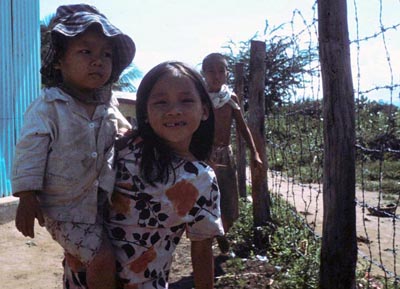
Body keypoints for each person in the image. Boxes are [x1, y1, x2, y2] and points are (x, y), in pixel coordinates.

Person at [12, 4, 135, 289]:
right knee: (102, 258)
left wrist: (130, 136)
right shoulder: (49, 107)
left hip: (98, 204)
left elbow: (123, 131)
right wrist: (27, 195)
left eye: (106, 54)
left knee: (101, 254)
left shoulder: (107, 103)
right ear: (59, 61)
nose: (98, 61)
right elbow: (30, 149)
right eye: (86, 52)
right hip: (64, 210)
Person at [102, 61, 224, 289]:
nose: (174, 110)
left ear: (205, 110)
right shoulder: (123, 149)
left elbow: (201, 247)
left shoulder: (203, 179)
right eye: (160, 102)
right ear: (145, 113)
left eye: (186, 100)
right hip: (86, 278)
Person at [201, 53, 263, 254]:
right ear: (204, 73)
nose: (216, 76)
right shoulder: (199, 99)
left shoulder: (230, 98)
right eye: (211, 71)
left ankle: (222, 233)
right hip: (203, 157)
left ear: (227, 74)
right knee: (207, 199)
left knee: (229, 201)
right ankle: (212, 237)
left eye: (221, 71)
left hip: (225, 157)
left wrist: (255, 153)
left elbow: (243, 127)